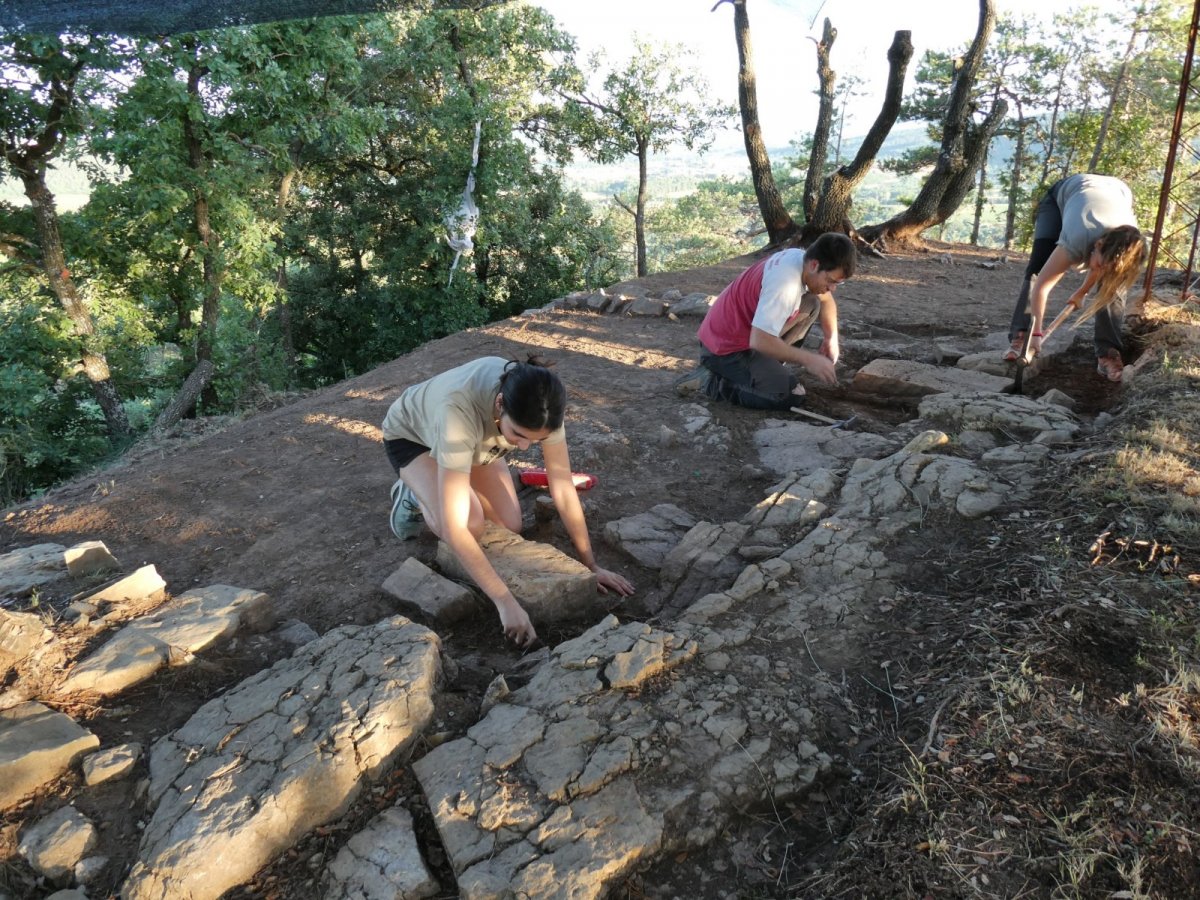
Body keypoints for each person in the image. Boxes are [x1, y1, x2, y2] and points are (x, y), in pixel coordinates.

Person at [381, 355, 634, 647]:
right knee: (469, 525)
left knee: (508, 524)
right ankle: (412, 491)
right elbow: (454, 530)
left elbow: (562, 486)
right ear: (500, 404)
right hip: (415, 439)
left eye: (535, 441)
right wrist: (504, 601)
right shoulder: (457, 413)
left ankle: (446, 482)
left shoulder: (544, 407)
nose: (525, 447)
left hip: (474, 444)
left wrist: (591, 565)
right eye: (519, 435)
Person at [674, 232, 856, 409]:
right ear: (814, 265)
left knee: (812, 304)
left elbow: (826, 301)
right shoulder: (785, 286)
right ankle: (712, 383)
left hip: (746, 335)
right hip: (724, 348)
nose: (832, 288)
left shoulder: (800, 259)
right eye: (831, 280)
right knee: (790, 395)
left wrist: (830, 338)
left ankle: (767, 369)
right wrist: (809, 360)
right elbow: (759, 340)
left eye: (837, 283)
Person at [1004, 173, 1147, 381]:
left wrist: (1082, 291)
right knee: (1038, 269)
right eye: (1098, 263)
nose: (1098, 269)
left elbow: (1103, 268)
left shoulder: (1131, 247)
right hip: (1063, 196)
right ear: (1097, 246)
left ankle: (1108, 354)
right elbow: (1042, 286)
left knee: (1114, 285)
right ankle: (1021, 338)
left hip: (1117, 191)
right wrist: (1036, 333)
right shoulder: (1080, 235)